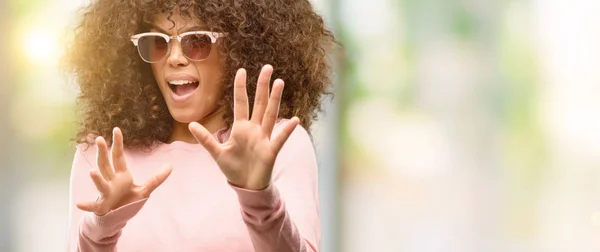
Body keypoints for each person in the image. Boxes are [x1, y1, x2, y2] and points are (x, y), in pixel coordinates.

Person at [62, 0, 336, 251]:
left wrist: (260, 199)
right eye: (158, 42)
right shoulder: (104, 154)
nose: (175, 57)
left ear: (242, 47)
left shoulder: (277, 143)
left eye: (197, 41)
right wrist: (100, 231)